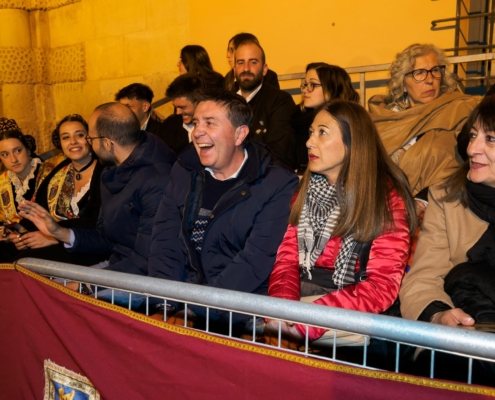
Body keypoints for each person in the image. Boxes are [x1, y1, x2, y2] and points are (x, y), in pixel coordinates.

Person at [265, 100, 416, 346]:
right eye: (311, 132)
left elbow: (382, 285)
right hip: (304, 299)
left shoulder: (386, 199)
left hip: (352, 308)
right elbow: (286, 262)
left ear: (352, 141)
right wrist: (282, 308)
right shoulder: (306, 190)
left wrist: (308, 321)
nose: (309, 142)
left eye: (322, 132)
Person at [148, 90, 298, 330]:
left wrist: (196, 310)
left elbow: (255, 260)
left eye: (210, 123)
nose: (197, 131)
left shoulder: (277, 183)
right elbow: (165, 243)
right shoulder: (183, 171)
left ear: (239, 134)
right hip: (181, 298)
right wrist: (163, 303)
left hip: (238, 311)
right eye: (196, 122)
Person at [399, 96, 495, 386]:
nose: (472, 149)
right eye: (474, 135)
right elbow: (423, 278)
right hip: (464, 344)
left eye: (490, 138)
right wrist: (439, 315)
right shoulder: (446, 197)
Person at [18, 102, 176, 276]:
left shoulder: (157, 180)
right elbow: (105, 238)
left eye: (90, 138)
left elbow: (147, 261)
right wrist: (59, 232)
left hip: (143, 279)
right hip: (116, 266)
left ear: (107, 144)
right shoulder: (111, 172)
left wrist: (84, 287)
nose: (88, 144)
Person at [369, 43, 477, 199]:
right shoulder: (384, 118)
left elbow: (456, 164)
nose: (430, 80)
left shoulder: (459, 109)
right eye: (419, 73)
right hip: (386, 201)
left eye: (435, 71)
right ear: (403, 84)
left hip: (439, 201)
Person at [15, 114, 107, 265]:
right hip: (58, 242)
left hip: (91, 246)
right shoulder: (59, 172)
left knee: (25, 263)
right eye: (66, 137)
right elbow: (40, 210)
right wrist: (21, 234)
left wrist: (55, 236)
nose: (73, 142)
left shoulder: (106, 171)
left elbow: (98, 222)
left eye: (80, 135)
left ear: (89, 139)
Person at [234, 40, 297, 169]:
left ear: (264, 69)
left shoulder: (280, 101)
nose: (246, 68)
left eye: (253, 62)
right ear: (234, 69)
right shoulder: (223, 104)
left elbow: (278, 154)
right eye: (241, 62)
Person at [0, 118, 53, 262]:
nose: (13, 159)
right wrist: (9, 237)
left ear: (28, 150)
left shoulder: (51, 174)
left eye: (17, 151)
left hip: (47, 242)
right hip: (13, 247)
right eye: (5, 154)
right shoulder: (2, 182)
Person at [292, 63, 359, 174]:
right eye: (305, 84)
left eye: (312, 84)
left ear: (333, 88)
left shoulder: (351, 122)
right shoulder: (296, 119)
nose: (305, 90)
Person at [159, 74, 206, 156]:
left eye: (182, 107)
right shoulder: (169, 126)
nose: (177, 112)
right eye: (175, 107)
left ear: (199, 102)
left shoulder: (214, 126)